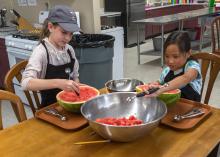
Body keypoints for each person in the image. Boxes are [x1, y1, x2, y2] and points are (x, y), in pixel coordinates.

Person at [21, 5, 80, 107]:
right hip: (50, 108)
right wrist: (58, 83)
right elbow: (25, 83)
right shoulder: (41, 51)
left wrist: (77, 88)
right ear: (51, 27)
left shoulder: (69, 50)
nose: (67, 38)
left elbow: (75, 77)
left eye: (71, 34)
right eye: (64, 32)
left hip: (70, 104)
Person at [148, 31, 202, 102]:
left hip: (191, 107)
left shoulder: (192, 66)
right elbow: (159, 82)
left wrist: (163, 88)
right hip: (171, 105)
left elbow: (185, 78)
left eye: (175, 56)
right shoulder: (167, 71)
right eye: (167, 56)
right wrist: (153, 85)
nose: (170, 61)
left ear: (188, 53)